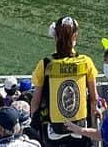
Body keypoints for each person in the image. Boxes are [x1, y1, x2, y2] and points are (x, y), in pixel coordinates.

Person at [30, 16, 98, 144]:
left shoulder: (45, 64)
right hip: (80, 129)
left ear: (55, 36)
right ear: (75, 36)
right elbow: (94, 100)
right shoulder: (86, 62)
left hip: (53, 131)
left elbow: (36, 101)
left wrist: (34, 122)